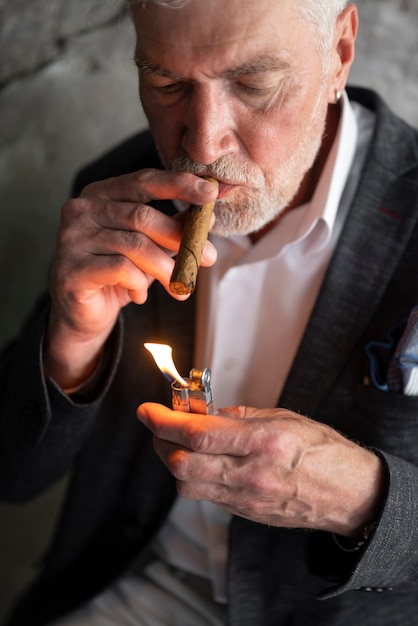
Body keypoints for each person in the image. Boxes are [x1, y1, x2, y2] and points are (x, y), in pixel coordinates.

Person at [1, 0, 418, 624]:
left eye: (252, 84)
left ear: (339, 50)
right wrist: (71, 342)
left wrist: (366, 498)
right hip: (135, 590)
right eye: (166, 83)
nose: (201, 142)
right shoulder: (118, 193)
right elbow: (11, 475)